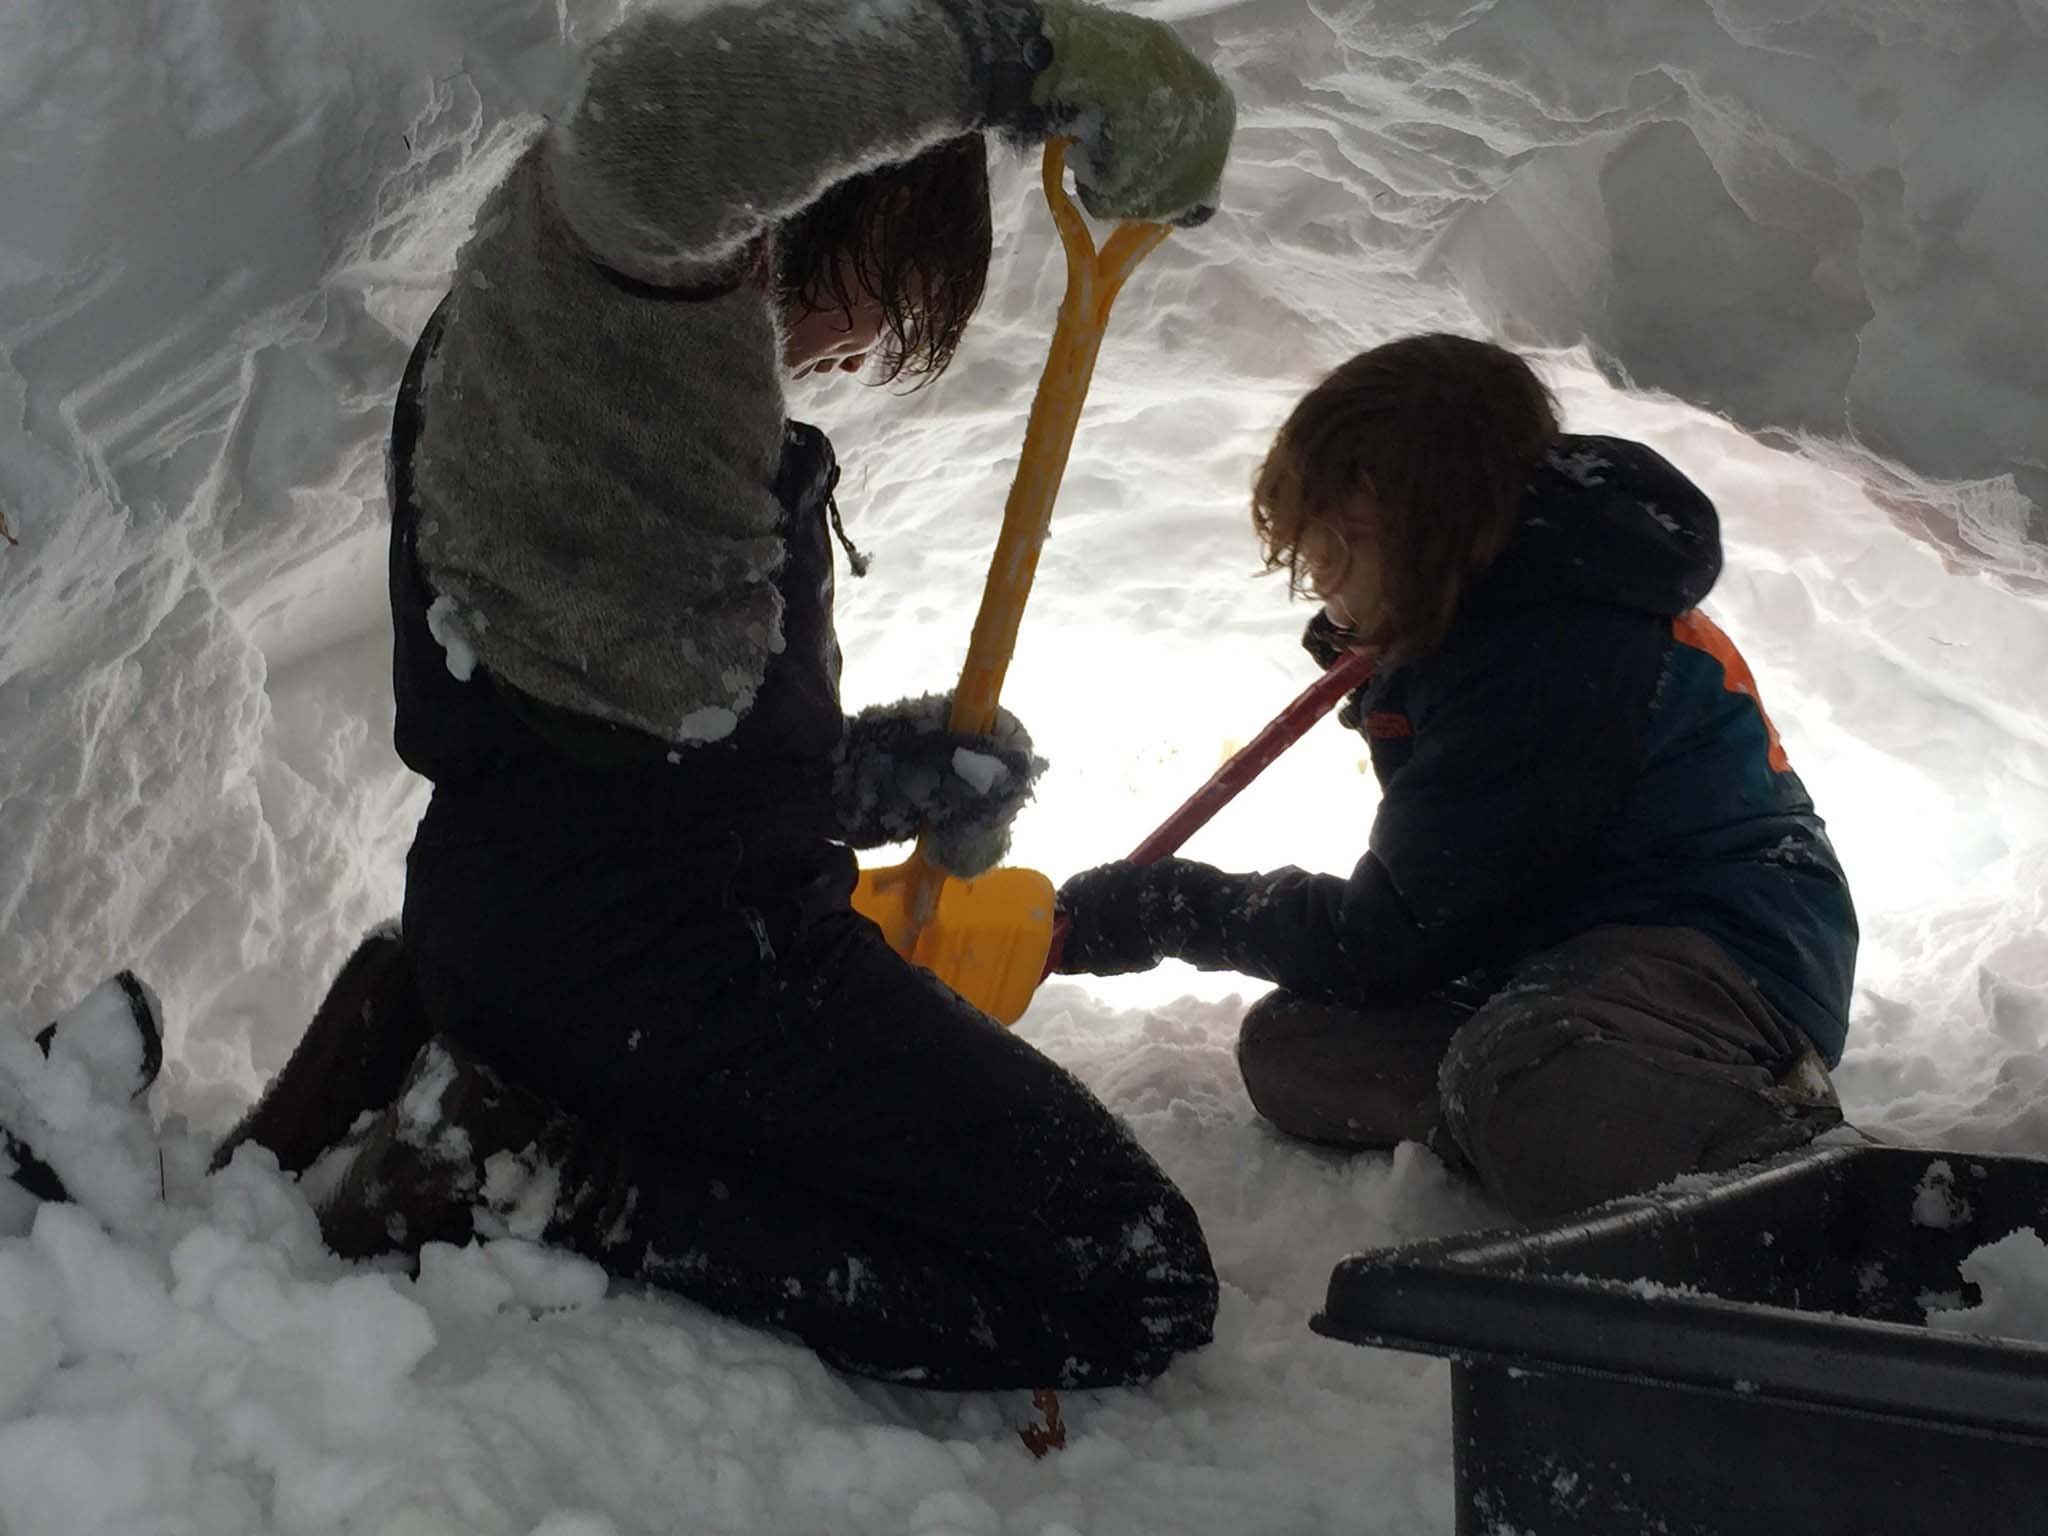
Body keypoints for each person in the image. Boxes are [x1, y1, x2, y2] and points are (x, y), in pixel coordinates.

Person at [213, 0, 1234, 1390]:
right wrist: (1022, 56)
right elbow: (650, 121)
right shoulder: (610, 342)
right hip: (678, 977)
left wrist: (882, 776)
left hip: (558, 931)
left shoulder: (598, 406)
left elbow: (659, 770)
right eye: (886, 295)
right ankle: (544, 1174)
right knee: (1140, 1278)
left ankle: (449, 1055)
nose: (857, 350)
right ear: (829, 204)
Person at [1053, 333, 1858, 1221]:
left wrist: (1163, 906)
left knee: (1518, 1069)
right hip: (1556, 954)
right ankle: (1560, 1122)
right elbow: (1429, 914)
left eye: (1336, 547)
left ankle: (1771, 1152)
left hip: (1723, 957)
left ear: (1429, 526)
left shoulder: (1554, 653)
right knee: (1296, 1047)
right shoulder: (1481, 621)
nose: (1318, 580)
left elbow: (1392, 932)